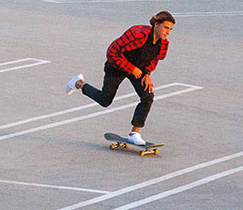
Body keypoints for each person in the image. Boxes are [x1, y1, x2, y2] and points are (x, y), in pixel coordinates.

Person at [66, 11, 175, 146]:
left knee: (148, 96)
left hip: (137, 70)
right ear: (156, 25)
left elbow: (154, 60)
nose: (168, 32)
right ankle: (78, 83)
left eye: (170, 29)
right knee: (105, 100)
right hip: (117, 66)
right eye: (166, 27)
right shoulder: (137, 34)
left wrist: (147, 73)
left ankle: (134, 133)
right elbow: (112, 52)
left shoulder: (163, 44)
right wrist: (131, 68)